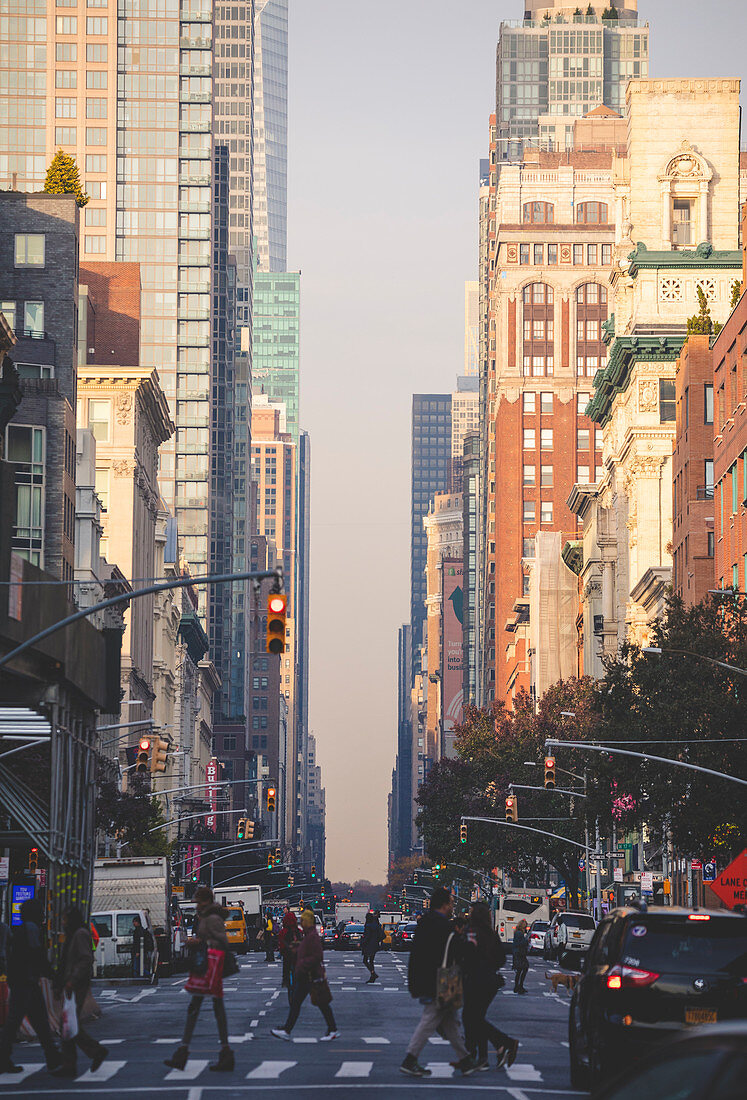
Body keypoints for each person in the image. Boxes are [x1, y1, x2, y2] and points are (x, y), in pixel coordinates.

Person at [400, 887, 477, 1079]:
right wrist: (471, 945)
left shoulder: (425, 924)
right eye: (451, 903)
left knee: (450, 1022)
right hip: (439, 981)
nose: (452, 906)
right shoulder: (443, 927)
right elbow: (457, 951)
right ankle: (410, 1058)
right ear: (444, 905)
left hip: (426, 978)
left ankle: (465, 1059)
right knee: (430, 1019)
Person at [165, 886, 234, 1073]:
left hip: (211, 967)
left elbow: (223, 942)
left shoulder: (212, 918)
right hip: (206, 967)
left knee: (206, 1008)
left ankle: (187, 1052)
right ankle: (187, 1051)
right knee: (205, 1008)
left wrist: (201, 942)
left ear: (205, 901)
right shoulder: (206, 916)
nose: (195, 905)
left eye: (197, 901)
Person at [0, 900, 61, 1076]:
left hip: (24, 981)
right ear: (34, 913)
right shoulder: (31, 929)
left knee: (39, 1019)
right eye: (41, 911)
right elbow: (37, 955)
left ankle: (51, 1056)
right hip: (25, 983)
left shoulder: (21, 930)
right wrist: (53, 974)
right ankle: (4, 1059)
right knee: (16, 1022)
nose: (43, 915)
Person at [461, 903, 519, 1070]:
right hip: (490, 982)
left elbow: (463, 954)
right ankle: (485, 1055)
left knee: (471, 1018)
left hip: (473, 980)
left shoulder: (470, 932)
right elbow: (501, 958)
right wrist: (489, 965)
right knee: (476, 1017)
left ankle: (501, 1044)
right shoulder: (490, 934)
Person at [51, 907, 108, 1078]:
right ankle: (72, 1063)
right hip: (71, 984)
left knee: (68, 1024)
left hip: (76, 985)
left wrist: (72, 980)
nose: (62, 922)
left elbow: (85, 959)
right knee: (68, 1024)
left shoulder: (80, 934)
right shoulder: (74, 934)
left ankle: (93, 1052)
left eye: (64, 919)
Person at [271, 909, 338, 1041]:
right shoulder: (308, 935)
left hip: (310, 975)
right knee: (301, 1003)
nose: (301, 923)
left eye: (303, 920)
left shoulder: (312, 936)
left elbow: (316, 956)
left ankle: (332, 1029)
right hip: (307, 975)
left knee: (319, 1003)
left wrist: (302, 963)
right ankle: (287, 1030)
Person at [278, 909, 301, 1003]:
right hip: (297, 955)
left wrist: (282, 951)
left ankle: (285, 980)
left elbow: (280, 943)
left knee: (286, 967)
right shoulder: (298, 931)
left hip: (287, 954)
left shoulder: (283, 932)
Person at [361, 911, 384, 983]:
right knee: (371, 960)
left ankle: (373, 973)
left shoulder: (368, 926)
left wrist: (362, 943)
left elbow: (367, 937)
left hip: (368, 945)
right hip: (375, 945)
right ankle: (372, 975)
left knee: (365, 960)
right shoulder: (376, 925)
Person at [512, 919, 529, 994]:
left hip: (518, 954)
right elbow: (519, 943)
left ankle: (517, 986)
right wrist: (526, 941)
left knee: (520, 970)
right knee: (523, 969)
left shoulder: (517, 933)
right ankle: (519, 986)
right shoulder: (519, 933)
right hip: (520, 954)